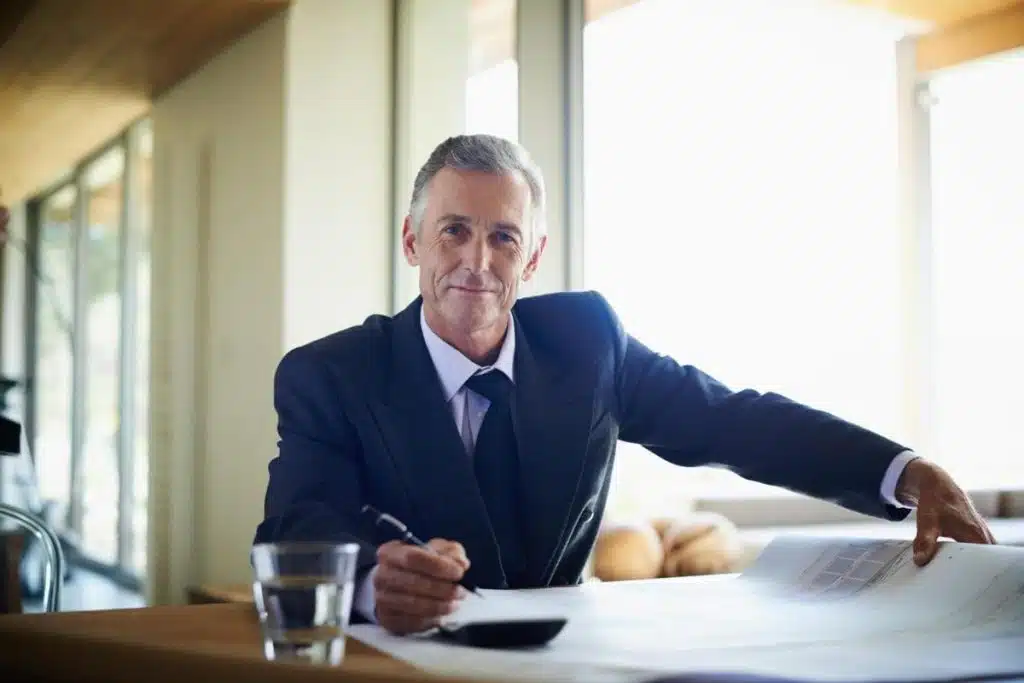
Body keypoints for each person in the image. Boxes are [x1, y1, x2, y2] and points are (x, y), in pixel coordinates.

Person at [254, 135, 995, 636]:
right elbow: (298, 524)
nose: (477, 259)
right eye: (453, 230)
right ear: (414, 241)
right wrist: (366, 587)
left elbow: (733, 421)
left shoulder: (586, 343)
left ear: (534, 256)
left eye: (503, 236)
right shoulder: (332, 374)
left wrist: (901, 472)